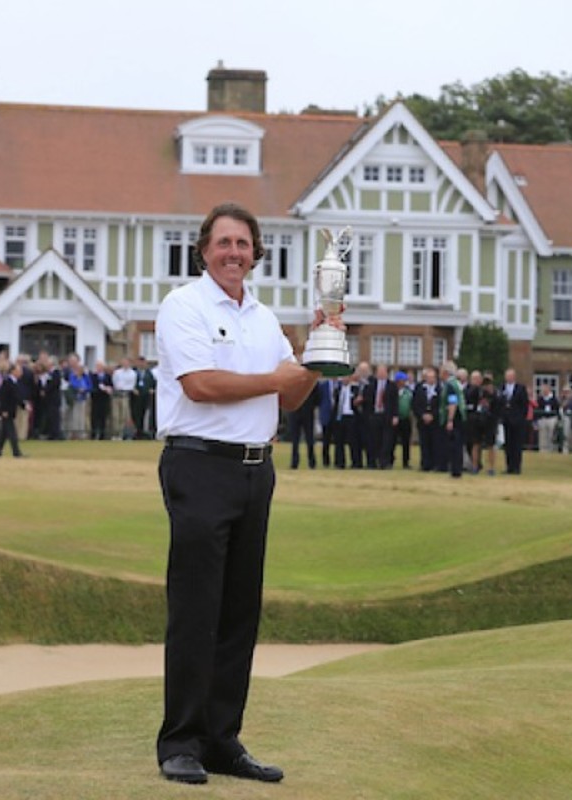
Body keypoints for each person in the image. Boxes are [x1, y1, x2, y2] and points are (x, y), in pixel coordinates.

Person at [154, 203, 320, 785]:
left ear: (255, 253)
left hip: (256, 470)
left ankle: (222, 740)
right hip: (199, 466)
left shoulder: (264, 318)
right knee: (197, 609)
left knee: (238, 612)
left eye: (243, 243)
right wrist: (281, 377)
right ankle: (181, 742)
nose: (233, 252)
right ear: (204, 250)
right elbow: (199, 386)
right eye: (223, 242)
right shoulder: (184, 306)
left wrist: (323, 349)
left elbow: (292, 397)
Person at [365, 363, 398, 469]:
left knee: (387, 441)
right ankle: (373, 462)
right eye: (379, 371)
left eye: (383, 371)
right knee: (374, 440)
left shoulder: (392, 386)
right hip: (374, 415)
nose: (381, 374)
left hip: (387, 416)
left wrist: (395, 416)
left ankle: (385, 462)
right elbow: (367, 400)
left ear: (387, 373)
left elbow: (395, 402)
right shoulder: (371, 385)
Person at [498, 368, 529, 475]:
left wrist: (521, 418)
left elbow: (525, 405)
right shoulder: (502, 388)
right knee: (508, 444)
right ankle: (509, 466)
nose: (509, 378)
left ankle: (517, 467)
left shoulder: (521, 388)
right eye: (507, 376)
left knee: (517, 445)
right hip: (506, 420)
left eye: (511, 376)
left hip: (518, 421)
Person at [0, 361, 25, 458]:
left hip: (10, 410)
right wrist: (3, 410)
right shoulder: (7, 382)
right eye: (19, 371)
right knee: (12, 432)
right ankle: (16, 452)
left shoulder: (15, 382)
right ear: (13, 371)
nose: (21, 373)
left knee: (4, 433)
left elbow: (16, 397)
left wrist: (23, 404)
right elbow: (2, 397)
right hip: (6, 411)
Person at [438, 361, 465, 478]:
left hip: (455, 417)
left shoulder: (450, 385)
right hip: (460, 417)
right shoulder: (457, 383)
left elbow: (452, 403)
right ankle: (456, 468)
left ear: (445, 373)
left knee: (454, 445)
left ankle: (455, 470)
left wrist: (450, 420)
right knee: (457, 444)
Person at [412, 367, 441, 471]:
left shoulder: (440, 389)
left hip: (435, 421)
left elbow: (440, 405)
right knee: (424, 443)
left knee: (435, 443)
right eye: (428, 377)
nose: (430, 379)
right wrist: (422, 415)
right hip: (422, 420)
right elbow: (415, 404)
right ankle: (425, 464)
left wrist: (433, 415)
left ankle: (435, 464)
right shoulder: (419, 388)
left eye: (432, 377)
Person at [287, 378, 318, 469]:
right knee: (295, 440)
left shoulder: (311, 382)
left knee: (310, 439)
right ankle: (294, 462)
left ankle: (312, 462)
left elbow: (317, 397)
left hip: (308, 413)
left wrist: (311, 406)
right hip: (294, 412)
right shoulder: (291, 383)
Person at [111, 357, 136, 439]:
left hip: (125, 395)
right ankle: (115, 433)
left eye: (126, 362)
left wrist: (124, 387)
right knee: (115, 415)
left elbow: (131, 385)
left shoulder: (132, 373)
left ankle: (121, 434)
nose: (125, 364)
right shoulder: (117, 372)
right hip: (116, 395)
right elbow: (115, 382)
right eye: (123, 362)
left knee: (123, 416)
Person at [131, 355, 156, 439]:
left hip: (146, 396)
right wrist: (133, 388)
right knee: (136, 414)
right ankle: (137, 431)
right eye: (139, 362)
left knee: (145, 413)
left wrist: (152, 389)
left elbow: (153, 383)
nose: (141, 364)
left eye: (143, 362)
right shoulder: (133, 372)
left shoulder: (149, 373)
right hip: (136, 396)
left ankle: (143, 432)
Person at [393, 371, 413, 469]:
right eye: (403, 380)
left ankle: (406, 462)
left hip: (405, 419)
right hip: (394, 419)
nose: (405, 382)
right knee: (392, 441)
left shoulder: (408, 392)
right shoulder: (392, 391)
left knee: (406, 441)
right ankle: (390, 460)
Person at [89, 360, 114, 440]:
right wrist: (100, 389)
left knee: (103, 417)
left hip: (104, 399)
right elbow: (92, 386)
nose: (99, 368)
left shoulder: (107, 376)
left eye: (100, 366)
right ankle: (93, 435)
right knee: (94, 417)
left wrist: (108, 389)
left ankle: (102, 435)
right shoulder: (93, 376)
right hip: (95, 399)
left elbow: (111, 385)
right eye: (97, 366)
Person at [534, 383, 560, 452]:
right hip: (543, 418)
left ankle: (551, 449)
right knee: (542, 435)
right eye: (543, 390)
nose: (543, 391)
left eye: (545, 389)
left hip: (552, 418)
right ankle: (543, 449)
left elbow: (557, 408)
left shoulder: (554, 399)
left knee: (551, 435)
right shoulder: (540, 399)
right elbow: (537, 408)